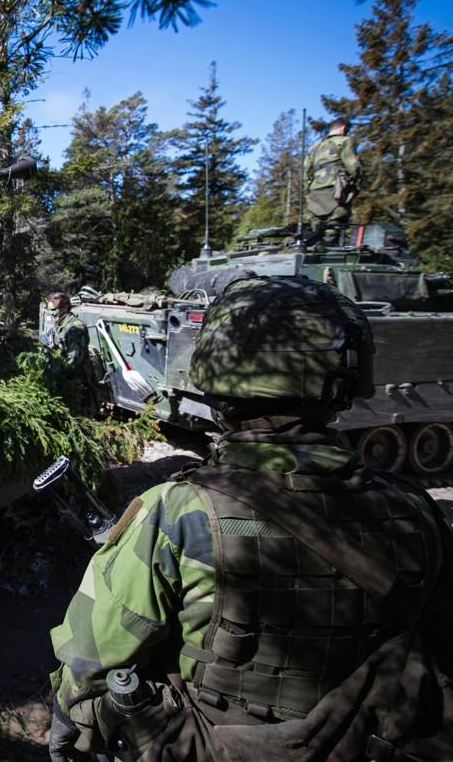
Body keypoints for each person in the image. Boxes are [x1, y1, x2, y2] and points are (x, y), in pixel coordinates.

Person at [48, 276, 453, 761]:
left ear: (221, 384)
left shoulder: (176, 512)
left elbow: (89, 658)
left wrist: (65, 725)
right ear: (343, 386)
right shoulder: (416, 509)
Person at [303, 118, 361, 245]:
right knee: (336, 223)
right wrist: (355, 182)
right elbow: (352, 165)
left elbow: (306, 171)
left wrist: (307, 191)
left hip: (315, 190)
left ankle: (316, 250)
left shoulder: (315, 147)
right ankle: (330, 252)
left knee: (316, 227)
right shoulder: (345, 141)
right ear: (343, 128)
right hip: (336, 189)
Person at [42, 292, 96, 411]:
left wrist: (58, 371)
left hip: (77, 381)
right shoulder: (59, 325)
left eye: (56, 310)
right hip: (66, 378)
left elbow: (75, 357)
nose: (53, 314)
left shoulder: (75, 326)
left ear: (65, 307)